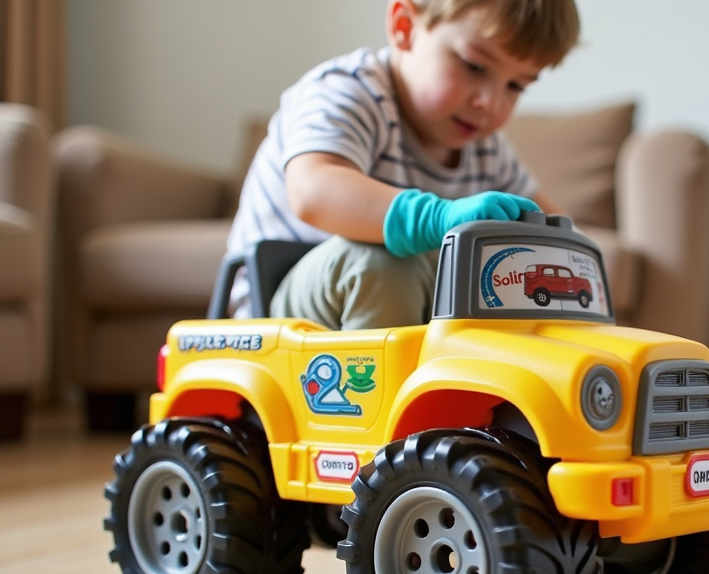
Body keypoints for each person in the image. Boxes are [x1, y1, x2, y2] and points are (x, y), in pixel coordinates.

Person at [225, 0, 579, 328]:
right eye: (474, 66)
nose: (490, 101)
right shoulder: (349, 91)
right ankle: (382, 395)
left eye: (516, 86)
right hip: (275, 315)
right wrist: (436, 218)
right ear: (404, 26)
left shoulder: (487, 148)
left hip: (396, 302)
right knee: (382, 262)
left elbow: (549, 224)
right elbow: (312, 191)